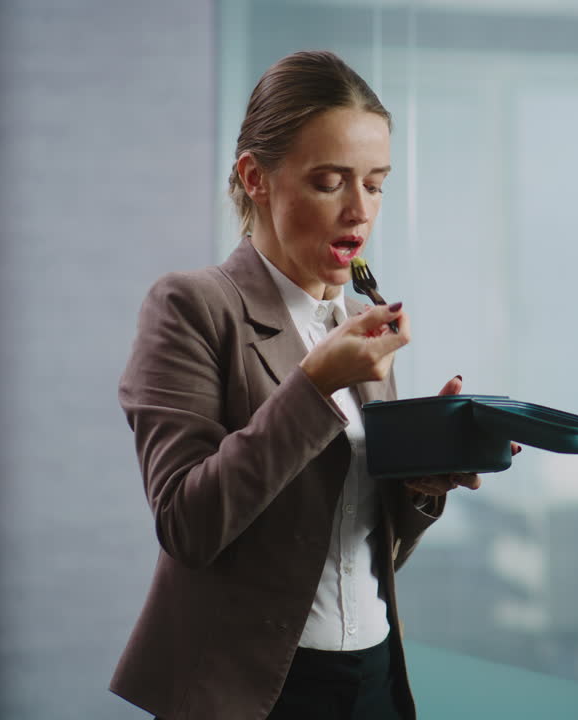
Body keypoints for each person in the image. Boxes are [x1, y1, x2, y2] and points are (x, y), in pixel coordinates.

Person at [110, 50, 502, 720]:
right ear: (253, 177)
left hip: (376, 678)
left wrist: (422, 481)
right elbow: (188, 524)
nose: (359, 210)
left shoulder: (357, 322)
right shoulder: (190, 306)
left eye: (375, 184)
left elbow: (362, 550)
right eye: (329, 181)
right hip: (255, 693)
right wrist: (315, 384)